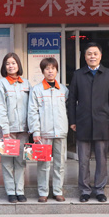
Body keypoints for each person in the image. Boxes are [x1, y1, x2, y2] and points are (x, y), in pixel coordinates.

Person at [68, 42, 109, 203]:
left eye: (95, 53)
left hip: (102, 121)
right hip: (82, 122)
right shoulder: (78, 74)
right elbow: (72, 99)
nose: (92, 56)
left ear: (100, 56)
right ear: (85, 56)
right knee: (83, 160)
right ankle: (84, 190)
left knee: (101, 159)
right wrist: (72, 120)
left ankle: (100, 189)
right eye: (89, 54)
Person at [28, 57, 69, 203]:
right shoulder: (37, 90)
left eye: (53, 68)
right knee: (43, 164)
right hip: (44, 133)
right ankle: (43, 192)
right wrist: (36, 131)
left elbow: (68, 110)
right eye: (47, 69)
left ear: (57, 70)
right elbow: (32, 112)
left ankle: (58, 191)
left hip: (61, 132)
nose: (50, 71)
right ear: (43, 71)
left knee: (60, 163)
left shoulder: (63, 90)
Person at [0, 52, 30, 203]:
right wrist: (5, 129)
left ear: (18, 65)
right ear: (4, 66)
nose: (11, 66)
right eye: (7, 63)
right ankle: (10, 192)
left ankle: (20, 191)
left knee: (21, 162)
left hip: (23, 130)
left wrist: (32, 128)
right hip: (7, 131)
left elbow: (31, 107)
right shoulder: (0, 84)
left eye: (13, 63)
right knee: (7, 163)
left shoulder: (26, 84)